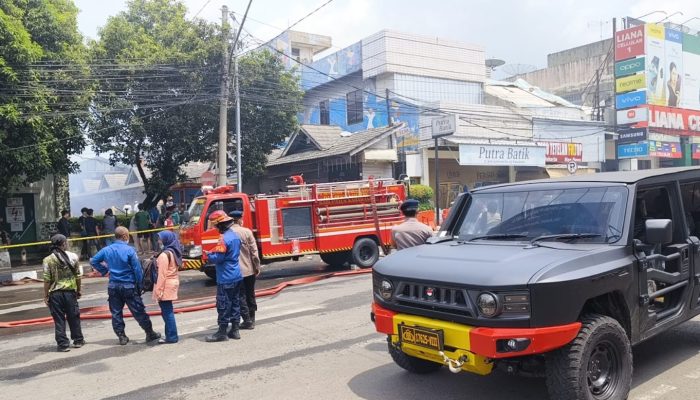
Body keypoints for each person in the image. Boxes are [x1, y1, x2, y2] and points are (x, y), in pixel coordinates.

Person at [90, 226, 161, 345]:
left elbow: (93, 261)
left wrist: (104, 271)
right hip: (129, 286)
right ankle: (149, 333)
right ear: (124, 236)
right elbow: (137, 270)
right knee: (139, 311)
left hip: (113, 286)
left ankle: (122, 337)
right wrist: (140, 285)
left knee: (116, 313)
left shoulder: (107, 249)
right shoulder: (130, 250)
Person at [205, 210, 243, 342]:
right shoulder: (234, 235)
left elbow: (219, 258)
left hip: (225, 277)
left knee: (223, 304)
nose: (215, 228)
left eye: (215, 226)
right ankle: (235, 330)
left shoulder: (223, 239)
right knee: (235, 303)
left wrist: (209, 255)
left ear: (220, 225)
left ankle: (222, 332)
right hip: (237, 275)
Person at [43, 234, 85, 352]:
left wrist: (46, 295)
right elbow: (78, 276)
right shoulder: (73, 257)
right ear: (64, 244)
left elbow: (47, 280)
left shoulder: (48, 260)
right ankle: (78, 340)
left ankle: (63, 344)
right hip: (70, 293)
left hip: (55, 294)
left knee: (59, 319)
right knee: (74, 317)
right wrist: (78, 290)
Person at [229, 210, 261, 330]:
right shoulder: (247, 232)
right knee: (250, 294)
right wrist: (257, 267)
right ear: (240, 219)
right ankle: (251, 319)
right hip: (249, 270)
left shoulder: (228, 233)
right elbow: (254, 252)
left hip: (235, 271)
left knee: (239, 295)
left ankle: (246, 319)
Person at [153, 230, 181, 344]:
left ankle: (172, 336)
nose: (159, 241)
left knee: (167, 312)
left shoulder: (164, 255)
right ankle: (170, 335)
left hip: (166, 285)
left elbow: (162, 275)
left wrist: (158, 291)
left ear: (166, 240)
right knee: (167, 311)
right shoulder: (173, 252)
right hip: (172, 282)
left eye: (160, 239)